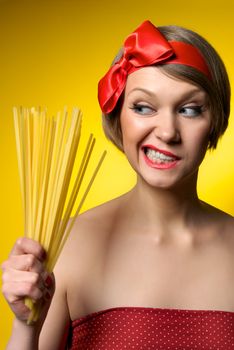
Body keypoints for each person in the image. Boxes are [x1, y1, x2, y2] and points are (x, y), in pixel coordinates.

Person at [2, 20, 234, 349]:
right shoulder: (65, 245)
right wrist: (25, 325)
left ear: (214, 122)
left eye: (189, 109)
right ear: (117, 117)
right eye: (143, 107)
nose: (167, 131)